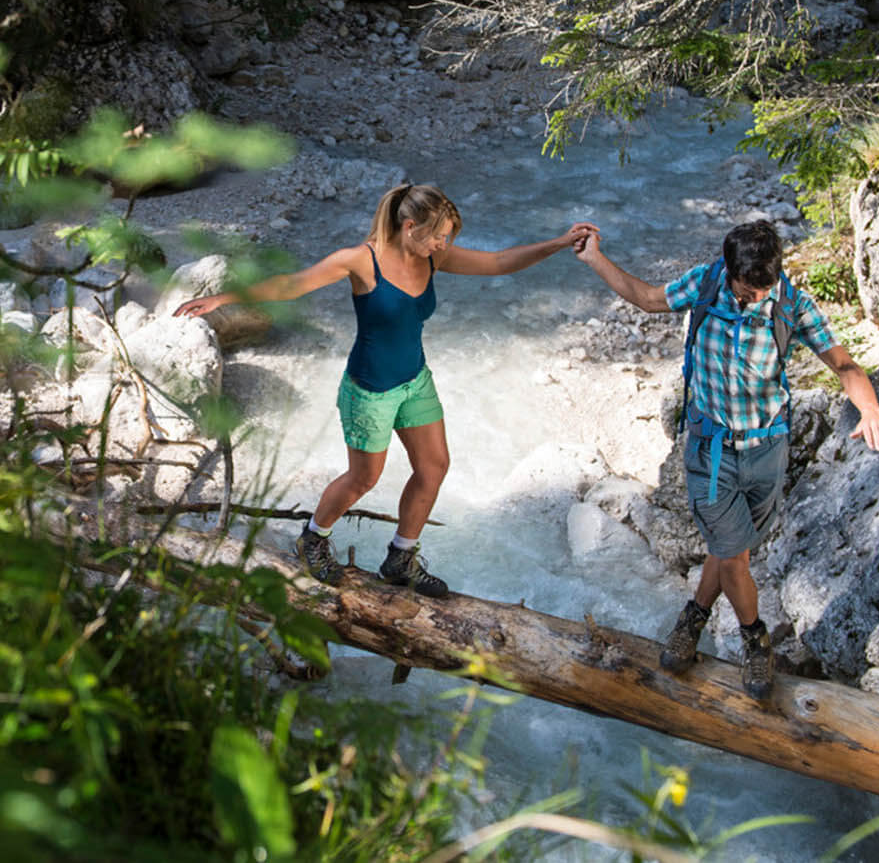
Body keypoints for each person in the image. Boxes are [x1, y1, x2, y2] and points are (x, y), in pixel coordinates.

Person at [177, 183, 597, 597]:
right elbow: (293, 284)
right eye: (437, 235)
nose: (443, 243)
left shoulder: (433, 257)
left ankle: (400, 558)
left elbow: (500, 262)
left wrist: (560, 242)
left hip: (415, 382)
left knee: (434, 467)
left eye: (448, 236)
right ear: (409, 226)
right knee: (364, 478)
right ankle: (313, 540)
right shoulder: (361, 260)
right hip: (370, 391)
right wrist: (223, 298)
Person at [575, 220, 879, 700]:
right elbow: (645, 297)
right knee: (731, 551)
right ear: (729, 270)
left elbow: (844, 365)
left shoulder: (791, 304)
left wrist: (869, 407)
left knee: (732, 552)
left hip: (768, 451)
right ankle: (754, 639)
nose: (754, 298)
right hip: (711, 449)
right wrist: (595, 257)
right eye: (747, 290)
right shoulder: (705, 284)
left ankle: (693, 616)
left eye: (763, 288)